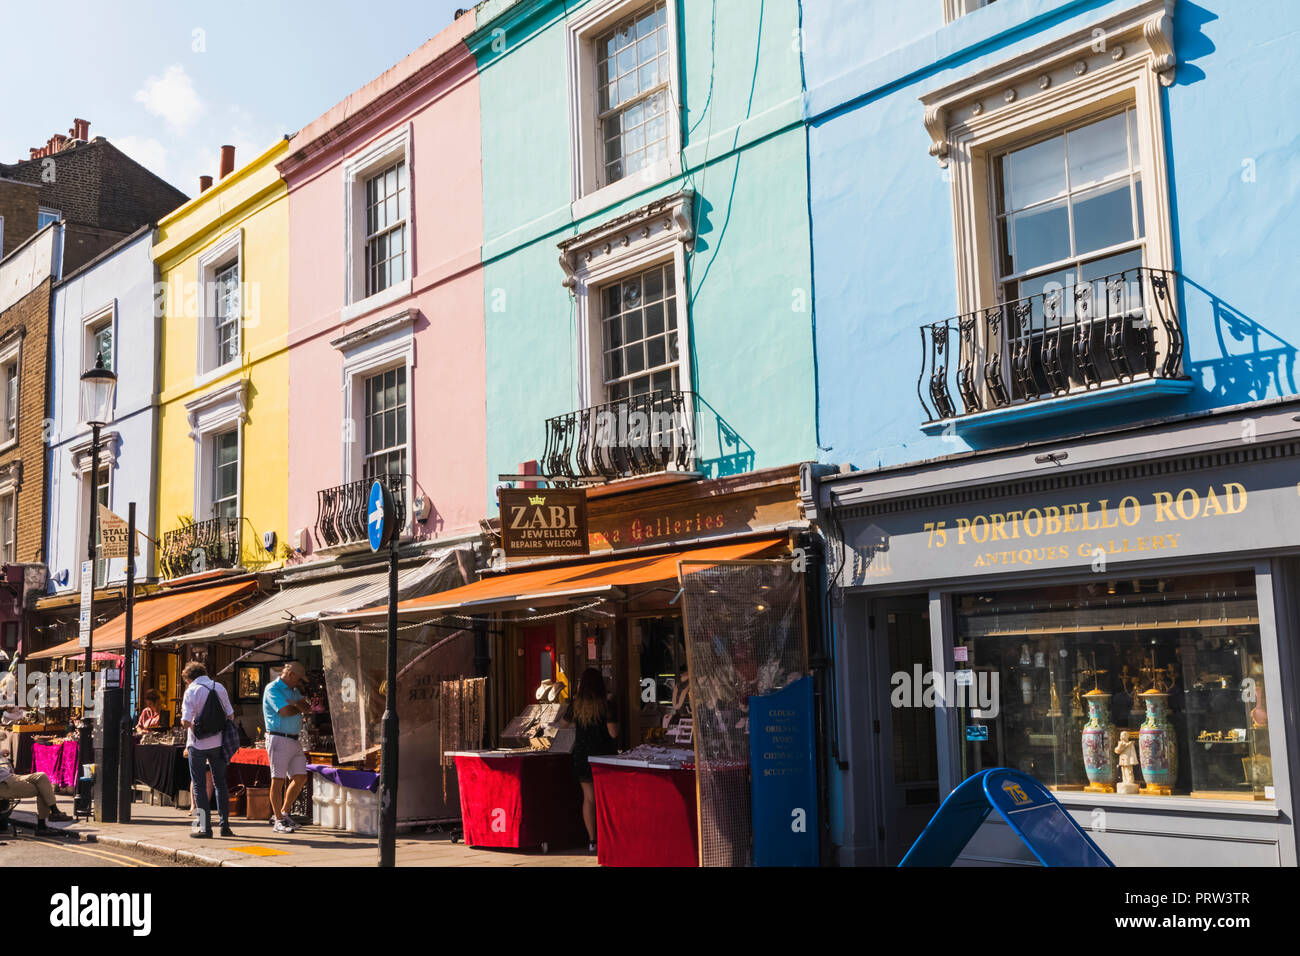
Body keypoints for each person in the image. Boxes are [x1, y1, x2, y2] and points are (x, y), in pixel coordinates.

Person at [562, 668, 619, 854]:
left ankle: (592, 840)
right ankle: (608, 836)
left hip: (582, 755)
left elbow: (564, 724)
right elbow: (613, 733)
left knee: (589, 799)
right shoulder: (606, 705)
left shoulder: (576, 705)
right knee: (606, 798)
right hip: (604, 757)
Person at [180, 661, 235, 838]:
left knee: (199, 785)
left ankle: (205, 828)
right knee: (221, 784)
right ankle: (225, 826)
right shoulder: (218, 687)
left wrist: (190, 722)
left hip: (197, 744)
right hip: (218, 743)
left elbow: (186, 721)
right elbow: (230, 714)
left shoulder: (191, 691)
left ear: (189, 678)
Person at [262, 661, 312, 834]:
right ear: (290, 675)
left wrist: (296, 705)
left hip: (293, 739)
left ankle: (284, 812)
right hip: (279, 737)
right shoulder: (272, 689)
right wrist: (298, 706)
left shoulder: (293, 691)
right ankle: (278, 820)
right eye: (298, 679)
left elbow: (308, 708)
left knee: (300, 777)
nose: (299, 683)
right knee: (278, 780)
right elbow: (285, 711)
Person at [0, 745, 72, 833]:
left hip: (11, 778)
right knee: (42, 788)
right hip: (4, 784)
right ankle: (46, 822)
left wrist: (1, 752)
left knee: (41, 777)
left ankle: (52, 815)